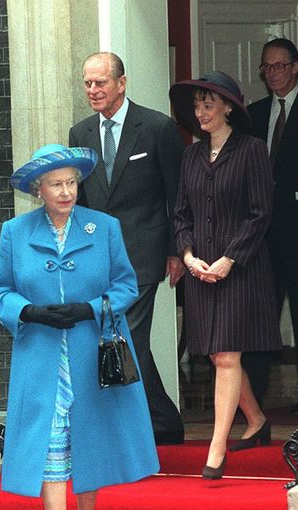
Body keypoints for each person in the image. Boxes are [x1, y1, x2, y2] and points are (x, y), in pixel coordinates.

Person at [0, 144, 159, 510]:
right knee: (50, 447)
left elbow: (126, 285)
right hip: (40, 355)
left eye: (71, 183)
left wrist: (91, 309)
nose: (65, 192)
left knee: (88, 440)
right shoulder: (15, 232)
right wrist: (28, 312)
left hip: (90, 351)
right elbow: (0, 291)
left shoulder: (104, 228)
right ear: (38, 189)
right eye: (55, 185)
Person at [68, 51, 187, 445]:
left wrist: (176, 250)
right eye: (87, 83)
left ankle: (130, 427)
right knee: (119, 337)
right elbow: (83, 200)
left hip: (144, 252)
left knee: (127, 336)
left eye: (100, 82)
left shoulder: (157, 127)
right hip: (98, 256)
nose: (92, 89)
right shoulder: (80, 133)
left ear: (121, 83)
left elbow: (178, 195)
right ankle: (163, 419)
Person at [168, 72, 280, 479]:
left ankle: (216, 448)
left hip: (240, 268)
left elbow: (260, 213)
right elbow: (181, 214)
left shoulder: (252, 150)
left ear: (228, 108)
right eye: (197, 106)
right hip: (201, 270)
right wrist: (188, 256)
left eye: (209, 105)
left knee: (228, 355)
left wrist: (229, 258)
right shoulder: (191, 156)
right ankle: (256, 420)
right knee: (218, 355)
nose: (201, 113)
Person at [245, 38, 298, 416]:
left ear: (295, 67)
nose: (272, 73)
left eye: (279, 66)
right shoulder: (253, 115)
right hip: (262, 236)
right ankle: (251, 398)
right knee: (259, 317)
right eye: (266, 67)